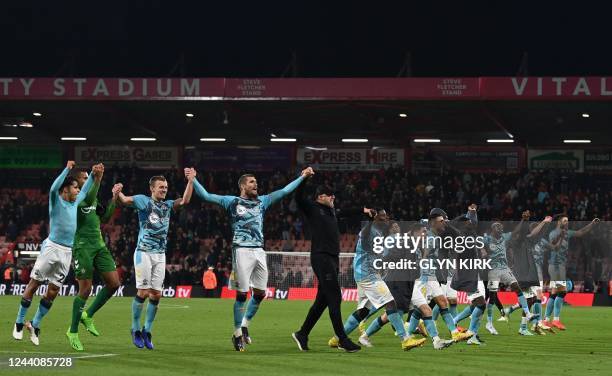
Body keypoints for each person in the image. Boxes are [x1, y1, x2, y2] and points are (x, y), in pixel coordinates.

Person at [191, 167, 310, 351]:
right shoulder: (232, 201)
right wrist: (193, 179)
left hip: (259, 251)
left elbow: (285, 191)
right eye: (252, 182)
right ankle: (237, 332)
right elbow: (206, 196)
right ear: (242, 186)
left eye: (256, 182)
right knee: (241, 294)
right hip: (242, 251)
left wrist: (302, 177)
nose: (256, 185)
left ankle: (245, 324)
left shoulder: (263, 201)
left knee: (261, 294)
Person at [13, 161, 98, 346]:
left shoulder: (76, 203)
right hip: (51, 248)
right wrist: (67, 169)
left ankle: (34, 324)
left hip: (67, 252)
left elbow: (87, 188)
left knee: (52, 292)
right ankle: (19, 322)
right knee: (34, 284)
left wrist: (93, 174)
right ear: (65, 189)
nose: (78, 191)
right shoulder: (56, 200)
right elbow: (53, 188)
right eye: (75, 187)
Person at [116, 169, 194, 349]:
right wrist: (118, 191)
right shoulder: (144, 201)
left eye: (166, 187)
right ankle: (135, 329)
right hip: (143, 252)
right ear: (152, 188)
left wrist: (190, 181)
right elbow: (126, 200)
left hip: (160, 255)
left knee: (157, 294)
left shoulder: (167, 205)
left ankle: (147, 330)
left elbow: (185, 200)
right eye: (161, 187)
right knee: (143, 292)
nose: (164, 190)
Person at [328, 209, 428, 351]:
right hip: (367, 274)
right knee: (390, 302)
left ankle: (337, 338)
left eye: (386, 217)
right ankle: (405, 339)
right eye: (382, 218)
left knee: (363, 311)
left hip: (368, 274)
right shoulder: (368, 231)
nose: (386, 220)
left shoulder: (381, 234)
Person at [291, 182, 369, 353]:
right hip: (321, 257)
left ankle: (302, 334)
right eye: (329, 194)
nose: (333, 196)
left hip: (332, 259)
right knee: (335, 296)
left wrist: (362, 210)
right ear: (320, 197)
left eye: (333, 194)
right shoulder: (313, 208)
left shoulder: (331, 211)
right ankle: (342, 339)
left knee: (322, 301)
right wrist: (305, 179)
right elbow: (298, 197)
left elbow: (345, 212)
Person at [66, 168, 122, 351]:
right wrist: (98, 178)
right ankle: (72, 331)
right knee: (86, 289)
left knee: (114, 283)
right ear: (77, 183)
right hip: (83, 247)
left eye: (87, 177)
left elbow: (104, 217)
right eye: (84, 178)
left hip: (99, 245)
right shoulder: (76, 199)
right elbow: (89, 198)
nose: (87, 179)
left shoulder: (93, 197)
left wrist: (114, 198)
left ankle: (88, 315)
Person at [543, 214, 599, 330]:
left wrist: (592, 223)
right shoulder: (554, 233)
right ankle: (556, 320)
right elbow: (553, 245)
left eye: (567, 221)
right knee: (562, 292)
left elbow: (580, 232)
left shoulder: (567, 233)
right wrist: (561, 236)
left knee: (554, 294)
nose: (567, 223)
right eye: (565, 221)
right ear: (559, 222)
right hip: (556, 266)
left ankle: (546, 320)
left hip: (559, 266)